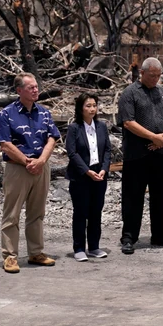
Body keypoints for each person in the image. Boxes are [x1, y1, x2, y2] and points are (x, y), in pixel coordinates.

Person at [0, 73, 60, 273]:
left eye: (36, 86)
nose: (35, 90)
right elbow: (5, 144)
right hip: (17, 168)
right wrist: (27, 162)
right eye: (31, 87)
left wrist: (41, 161)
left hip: (41, 166)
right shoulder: (6, 114)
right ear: (19, 90)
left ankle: (36, 252)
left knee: (37, 212)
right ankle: (10, 256)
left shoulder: (44, 113)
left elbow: (52, 138)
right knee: (12, 213)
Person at [118, 57, 163, 254]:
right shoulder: (130, 93)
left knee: (160, 196)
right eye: (152, 75)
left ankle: (160, 235)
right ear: (142, 73)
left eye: (158, 76)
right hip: (136, 154)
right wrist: (153, 137)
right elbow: (128, 122)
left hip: (159, 153)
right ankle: (129, 237)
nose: (155, 79)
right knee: (133, 197)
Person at [65, 93, 111, 262]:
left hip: (99, 173)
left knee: (96, 212)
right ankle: (78, 248)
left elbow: (107, 150)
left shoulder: (101, 126)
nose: (92, 109)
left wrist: (104, 169)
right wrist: (86, 171)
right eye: (88, 106)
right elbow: (72, 152)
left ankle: (94, 246)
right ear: (80, 108)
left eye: (94, 105)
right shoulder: (74, 128)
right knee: (80, 212)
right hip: (81, 176)